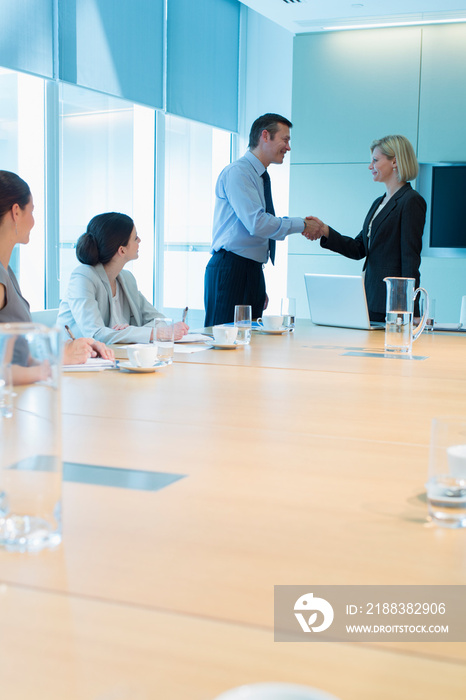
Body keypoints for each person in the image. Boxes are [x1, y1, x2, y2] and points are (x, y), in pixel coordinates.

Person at [0, 170, 114, 384]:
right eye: (31, 211)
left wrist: (70, 351)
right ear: (16, 212)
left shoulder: (7, 272)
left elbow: (17, 357)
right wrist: (51, 365)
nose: (33, 221)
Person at [204, 113, 315, 326]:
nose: (288, 147)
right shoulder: (239, 173)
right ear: (265, 136)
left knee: (249, 345)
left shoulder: (259, 175)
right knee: (225, 343)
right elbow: (257, 223)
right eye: (285, 139)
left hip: (250, 269)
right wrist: (303, 224)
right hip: (231, 268)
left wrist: (255, 282)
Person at [303, 135, 427, 321]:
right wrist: (325, 230)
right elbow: (359, 248)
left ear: (394, 161)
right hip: (369, 299)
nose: (370, 166)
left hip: (392, 306)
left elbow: (410, 260)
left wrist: (411, 310)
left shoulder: (411, 201)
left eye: (375, 160)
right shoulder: (379, 203)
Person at [58, 212, 189, 344]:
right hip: (76, 361)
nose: (139, 241)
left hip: (115, 357)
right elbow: (96, 334)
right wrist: (150, 333)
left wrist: (127, 333)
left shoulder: (126, 278)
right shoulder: (83, 277)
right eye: (135, 238)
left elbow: (160, 321)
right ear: (122, 250)